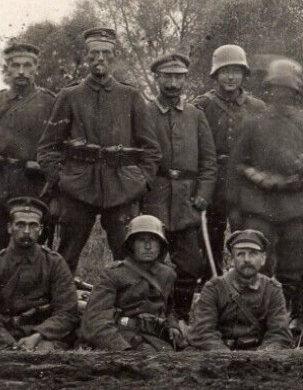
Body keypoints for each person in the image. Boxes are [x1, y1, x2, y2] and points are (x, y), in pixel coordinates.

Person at [37, 26, 163, 269]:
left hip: (121, 188)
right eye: (94, 54)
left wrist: (141, 182)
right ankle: (62, 304)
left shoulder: (132, 96)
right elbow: (47, 147)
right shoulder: (69, 96)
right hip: (77, 188)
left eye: (106, 53)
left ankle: (129, 305)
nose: (100, 59)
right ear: (86, 57)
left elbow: (151, 149)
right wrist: (61, 179)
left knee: (127, 255)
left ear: (114, 57)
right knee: (65, 257)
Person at [229, 59, 303, 325]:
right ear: (267, 92)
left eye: (287, 91)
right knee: (257, 262)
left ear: (296, 93)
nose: (281, 96)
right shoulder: (252, 123)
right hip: (259, 204)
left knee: (293, 268)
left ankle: (287, 319)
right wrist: (254, 179)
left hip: (296, 205)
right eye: (275, 90)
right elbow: (236, 164)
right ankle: (254, 315)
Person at [142, 53, 217, 318]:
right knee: (151, 261)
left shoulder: (195, 115)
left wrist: (203, 193)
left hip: (187, 202)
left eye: (178, 77)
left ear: (185, 79)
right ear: (157, 78)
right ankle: (155, 317)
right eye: (167, 77)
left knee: (191, 266)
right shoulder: (145, 112)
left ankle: (181, 316)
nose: (173, 83)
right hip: (155, 200)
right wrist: (143, 192)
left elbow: (209, 161)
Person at [0, 41, 57, 262]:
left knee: (34, 256)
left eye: (28, 65)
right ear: (6, 69)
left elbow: (59, 150)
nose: (21, 72)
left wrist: (55, 192)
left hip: (35, 191)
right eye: (15, 65)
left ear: (37, 68)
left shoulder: (50, 102)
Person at [0, 196, 79, 350]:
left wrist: (38, 336)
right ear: (10, 227)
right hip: (5, 336)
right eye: (20, 225)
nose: (27, 231)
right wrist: (10, 346)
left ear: (41, 229)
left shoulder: (54, 263)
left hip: (44, 336)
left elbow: (67, 311)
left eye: (33, 225)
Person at [192, 44, 266, 256]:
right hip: (212, 179)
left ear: (244, 74)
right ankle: (211, 280)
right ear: (216, 74)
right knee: (209, 237)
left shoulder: (256, 107)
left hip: (244, 181)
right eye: (225, 72)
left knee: (245, 235)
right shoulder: (202, 105)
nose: (231, 77)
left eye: (236, 72)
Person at [80, 215, 181, 352]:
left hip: (156, 338)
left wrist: (173, 326)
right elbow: (95, 321)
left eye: (153, 240)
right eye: (141, 240)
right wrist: (123, 349)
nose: (147, 246)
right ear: (131, 244)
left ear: (161, 244)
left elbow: (169, 309)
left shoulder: (167, 275)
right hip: (123, 338)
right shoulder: (113, 274)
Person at [188, 229, 294, 351]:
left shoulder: (273, 289)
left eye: (253, 253)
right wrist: (225, 355)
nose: (247, 259)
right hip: (220, 356)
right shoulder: (214, 288)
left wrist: (265, 355)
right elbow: (203, 332)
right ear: (232, 260)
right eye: (240, 254)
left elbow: (279, 332)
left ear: (263, 259)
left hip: (259, 356)